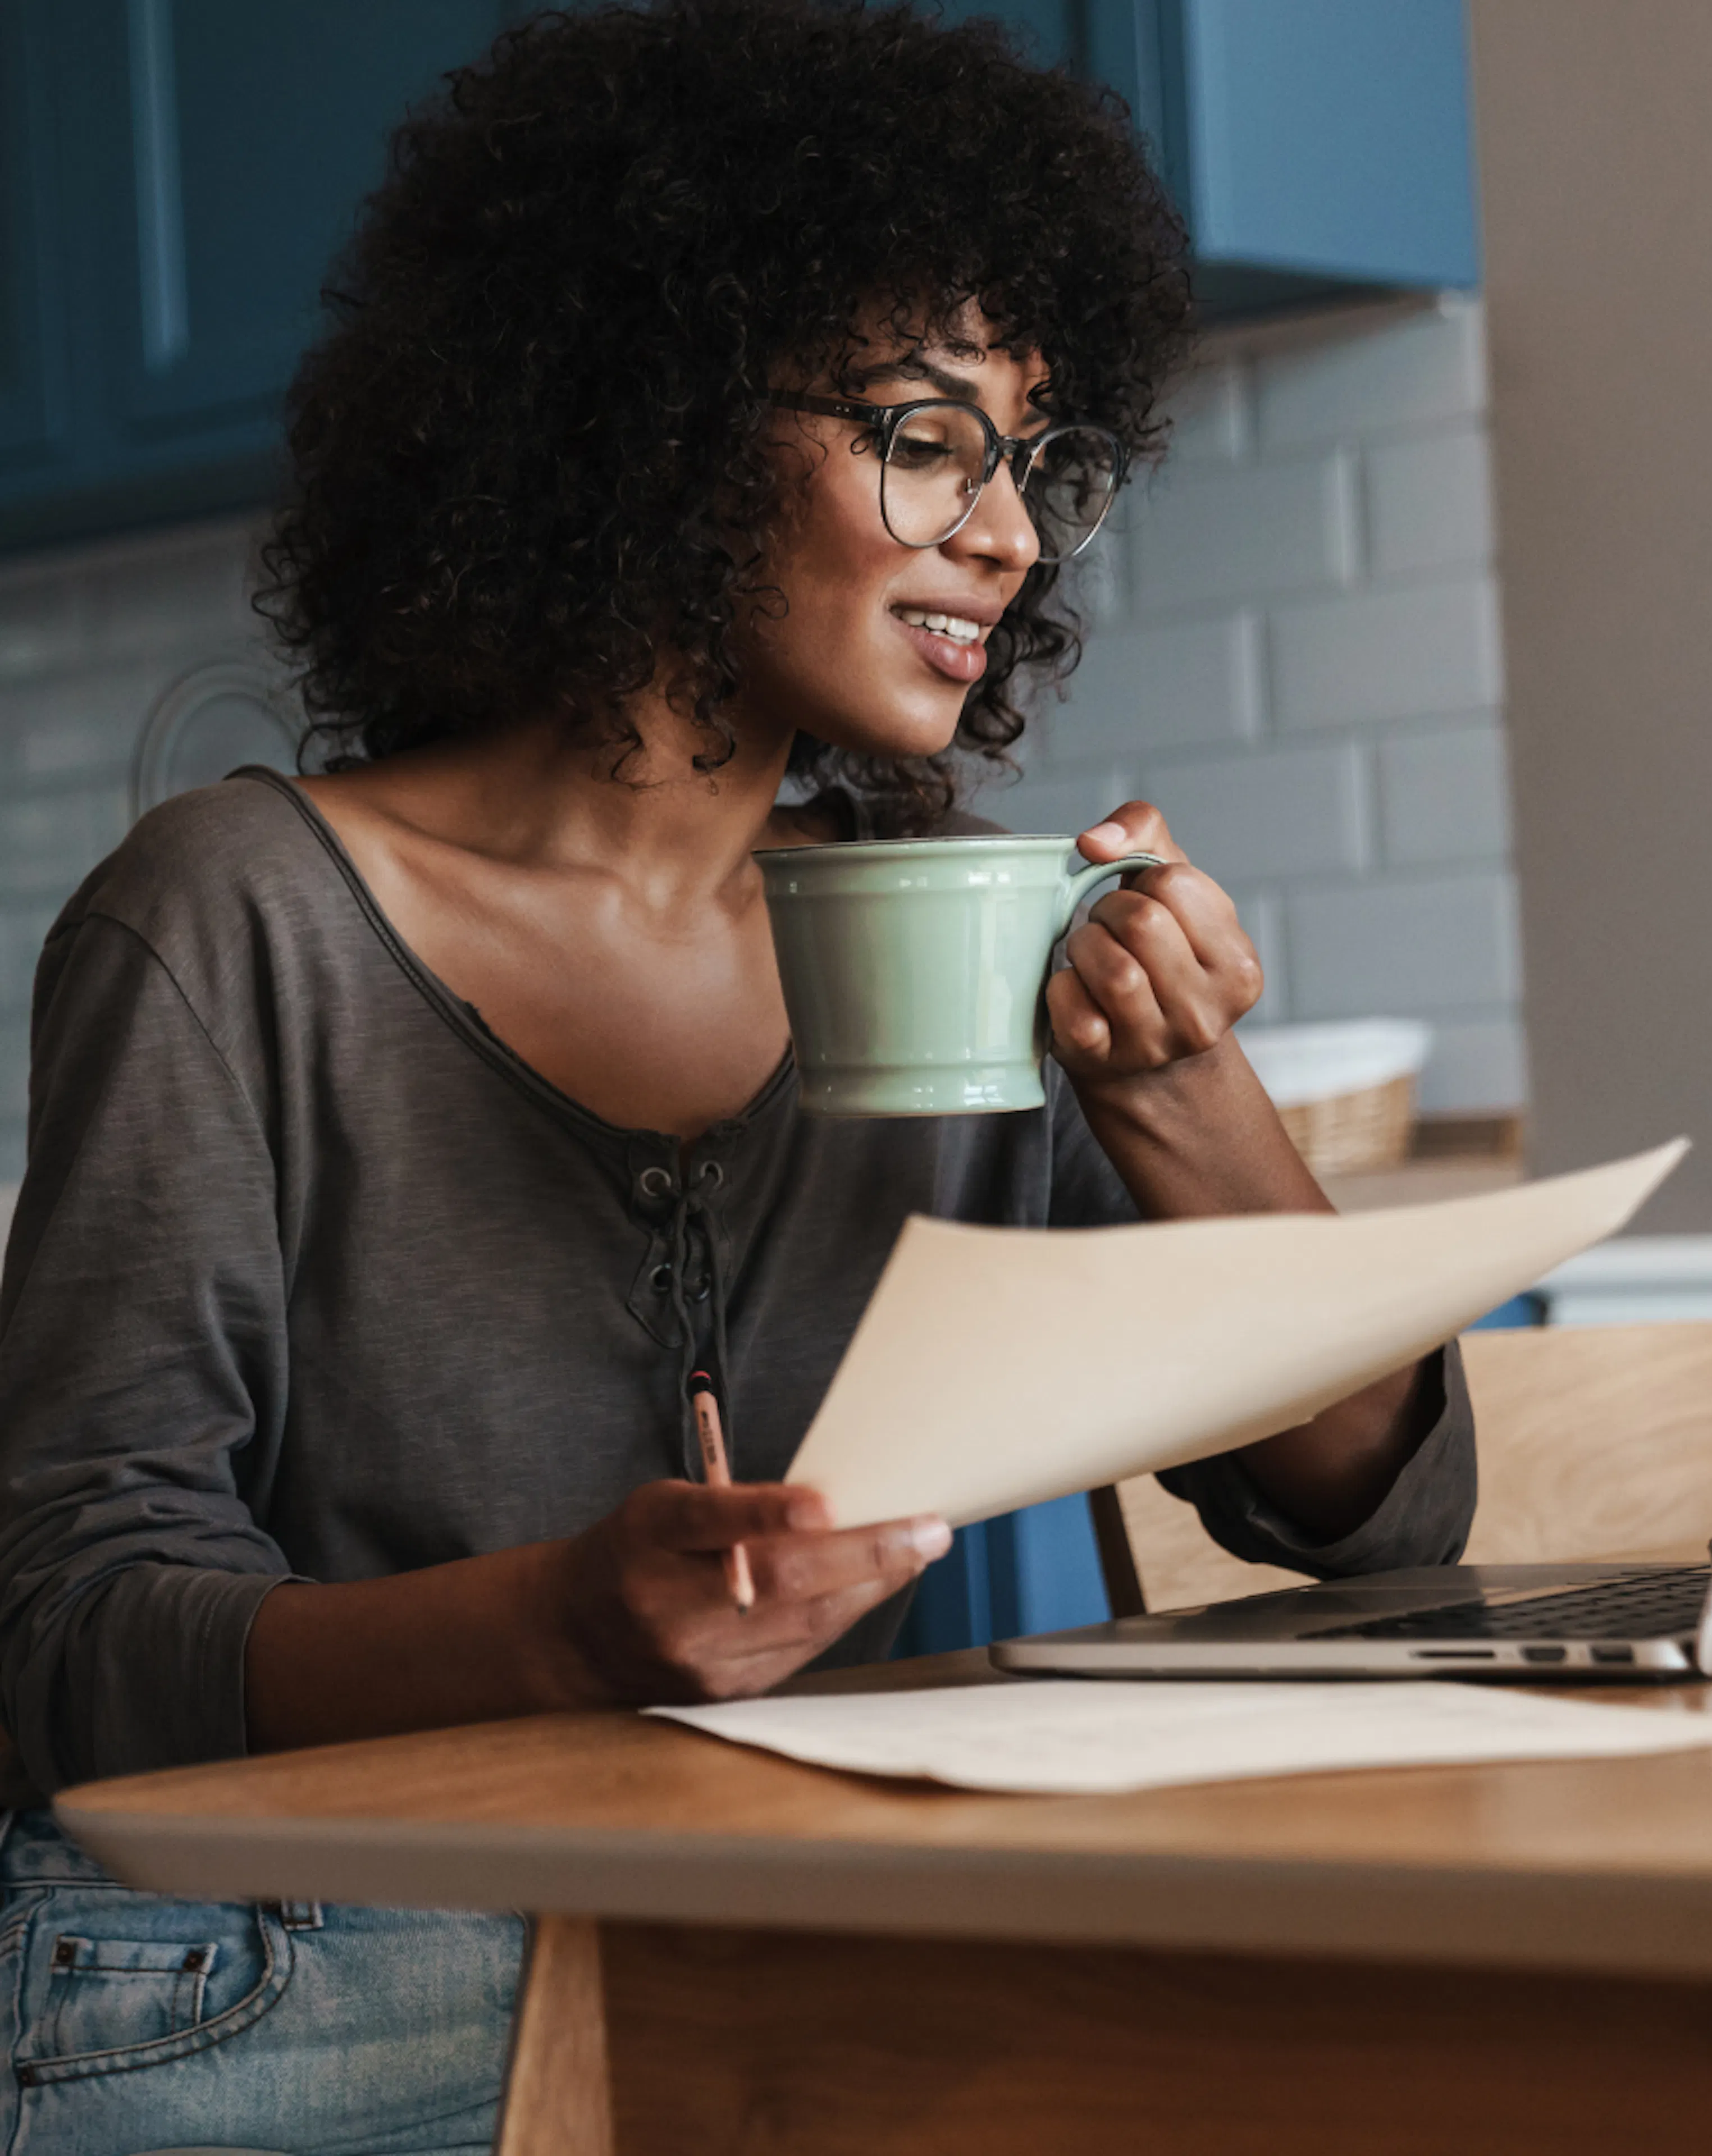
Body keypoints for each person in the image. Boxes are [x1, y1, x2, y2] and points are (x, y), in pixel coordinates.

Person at [0, 2, 1477, 2146]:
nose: (1010, 538)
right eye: (922, 433)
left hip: (796, 1957)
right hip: (297, 1982)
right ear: (655, 419)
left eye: (1028, 460)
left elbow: (1382, 1513)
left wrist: (1184, 1100)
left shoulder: (963, 926)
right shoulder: (237, 917)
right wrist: (567, 1623)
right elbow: (63, 1636)